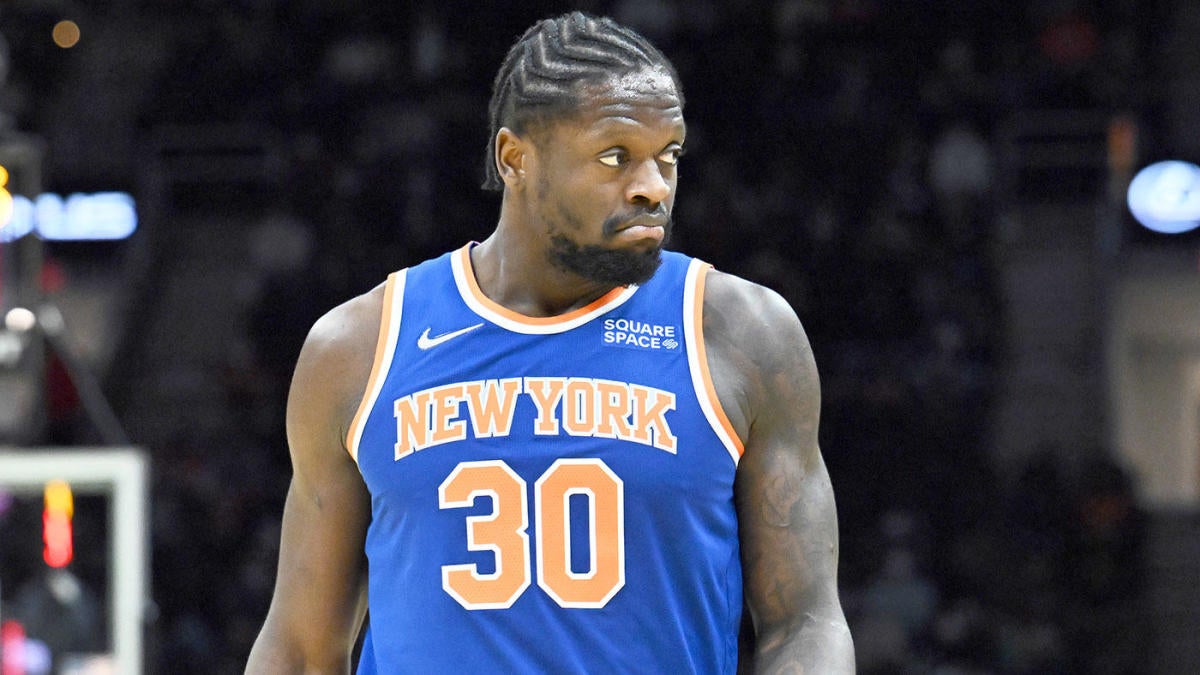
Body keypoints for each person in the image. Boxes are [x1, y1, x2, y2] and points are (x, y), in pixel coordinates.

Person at [246, 11, 853, 673]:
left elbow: (805, 621)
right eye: (615, 156)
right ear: (515, 159)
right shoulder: (359, 347)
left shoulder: (742, 334)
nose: (653, 186)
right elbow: (300, 648)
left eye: (669, 155)